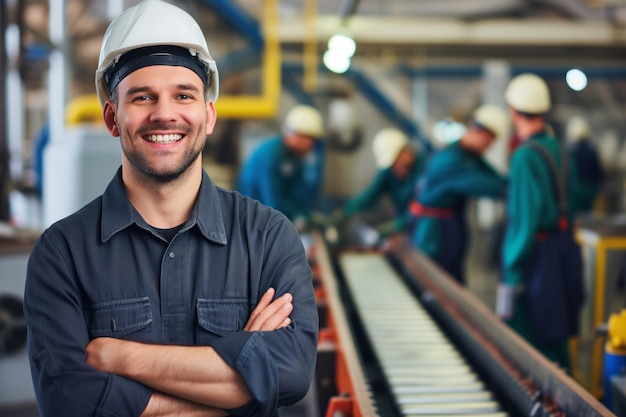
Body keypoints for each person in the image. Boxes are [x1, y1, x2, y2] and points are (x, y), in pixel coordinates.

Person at [23, 1, 319, 416]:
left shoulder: (268, 237)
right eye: (143, 97)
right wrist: (239, 389)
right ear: (112, 117)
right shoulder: (62, 253)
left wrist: (121, 358)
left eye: (184, 95)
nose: (165, 114)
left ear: (208, 115)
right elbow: (69, 401)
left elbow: (290, 371)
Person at [498, 73, 584, 371]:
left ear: (513, 111)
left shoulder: (524, 156)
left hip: (538, 257)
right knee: (557, 337)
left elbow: (525, 220)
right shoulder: (558, 148)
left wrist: (511, 265)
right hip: (563, 249)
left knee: (531, 346)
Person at [412, 105, 508, 284]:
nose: (489, 147)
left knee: (451, 281)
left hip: (448, 227)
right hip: (435, 233)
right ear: (480, 133)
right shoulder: (451, 160)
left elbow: (499, 180)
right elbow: (491, 186)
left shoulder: (468, 155)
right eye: (489, 142)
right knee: (438, 284)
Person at [236, 104, 327, 230]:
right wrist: (298, 219)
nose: (311, 146)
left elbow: (295, 196)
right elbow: (272, 203)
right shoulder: (270, 156)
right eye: (309, 139)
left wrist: (305, 216)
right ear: (297, 135)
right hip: (254, 223)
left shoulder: (293, 157)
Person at [333, 127, 427, 243]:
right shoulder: (390, 170)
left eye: (397, 162)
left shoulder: (425, 170)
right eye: (392, 165)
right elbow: (370, 194)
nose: (395, 168)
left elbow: (420, 207)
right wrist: (345, 212)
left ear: (406, 152)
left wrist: (394, 226)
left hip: (422, 227)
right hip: (404, 223)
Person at [566, 115, 604, 213]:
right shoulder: (591, 152)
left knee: (576, 216)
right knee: (588, 216)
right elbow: (598, 173)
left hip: (576, 189)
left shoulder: (571, 153)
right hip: (589, 189)